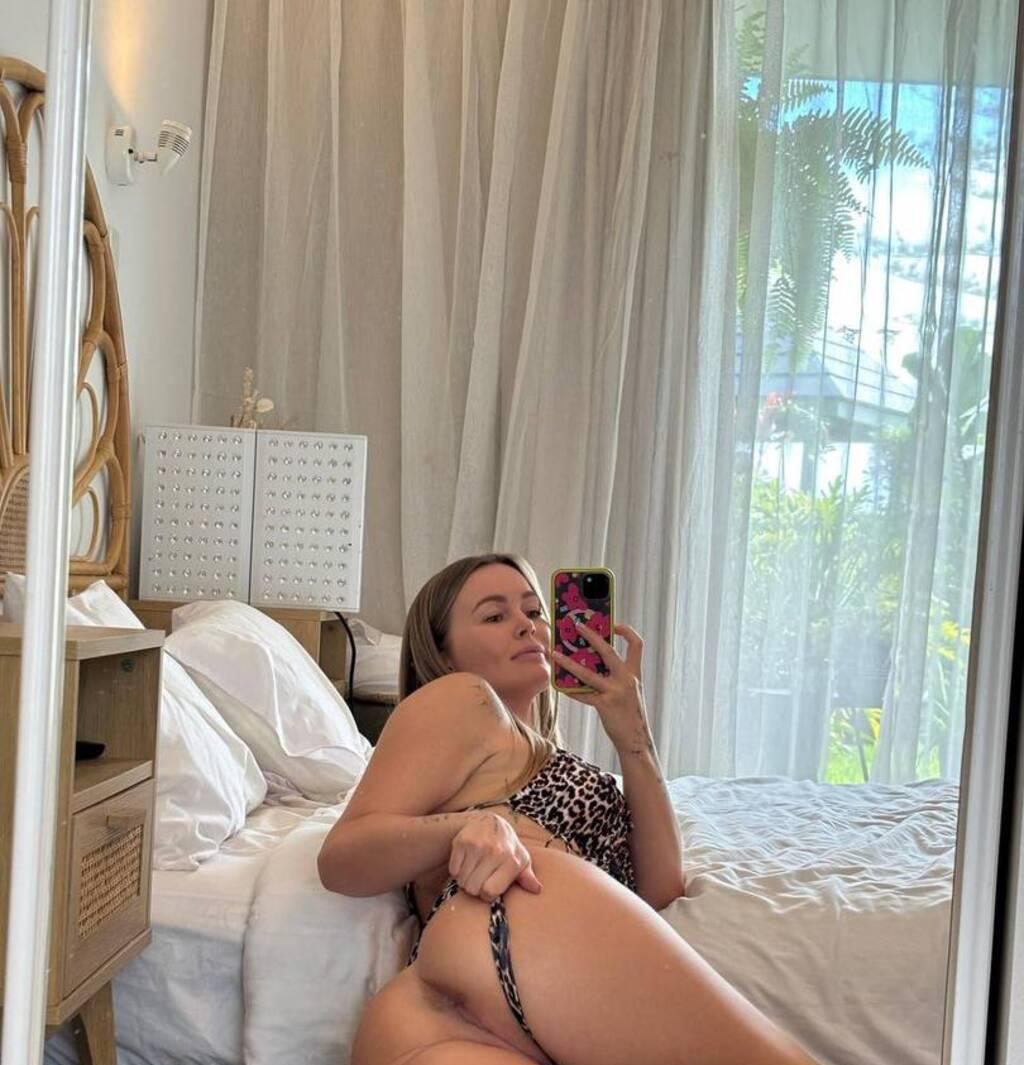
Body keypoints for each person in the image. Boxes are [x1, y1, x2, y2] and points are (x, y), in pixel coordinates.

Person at [318, 553, 819, 1065]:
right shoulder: (461, 697)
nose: (527, 626)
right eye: (495, 616)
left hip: (453, 1010)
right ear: (442, 655)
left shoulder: (535, 749)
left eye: (535, 611)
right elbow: (342, 858)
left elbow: (661, 889)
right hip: (498, 945)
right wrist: (470, 827)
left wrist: (634, 737)